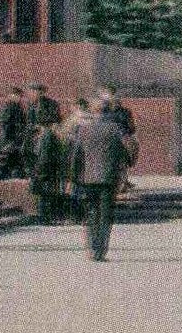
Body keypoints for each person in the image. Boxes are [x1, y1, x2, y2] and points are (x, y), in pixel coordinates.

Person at [68, 99, 129, 261]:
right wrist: (122, 170)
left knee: (91, 213)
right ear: (108, 112)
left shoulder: (82, 130)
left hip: (87, 180)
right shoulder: (115, 129)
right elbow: (123, 153)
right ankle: (101, 251)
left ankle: (93, 249)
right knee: (105, 215)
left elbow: (76, 156)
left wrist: (73, 178)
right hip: (108, 179)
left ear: (94, 112)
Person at [28, 118, 64, 225]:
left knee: (44, 195)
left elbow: (41, 154)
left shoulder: (45, 136)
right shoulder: (49, 136)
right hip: (47, 170)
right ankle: (45, 218)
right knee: (46, 195)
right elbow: (48, 154)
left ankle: (43, 217)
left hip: (43, 170)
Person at [0, 87, 29, 179]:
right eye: (16, 96)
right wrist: (9, 141)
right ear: (11, 96)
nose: (19, 98)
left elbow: (23, 123)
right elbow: (5, 125)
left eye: (20, 96)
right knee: (10, 161)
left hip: (17, 139)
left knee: (14, 160)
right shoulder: (9, 107)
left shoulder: (18, 108)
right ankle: (3, 178)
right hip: (11, 140)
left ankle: (9, 177)